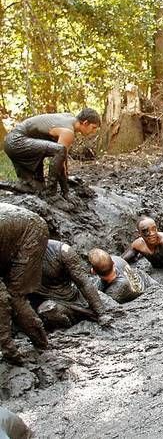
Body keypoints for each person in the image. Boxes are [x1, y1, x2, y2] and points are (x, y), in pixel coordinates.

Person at [2, 108, 100, 196]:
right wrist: (65, 191)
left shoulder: (69, 118)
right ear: (85, 123)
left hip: (15, 142)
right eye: (94, 127)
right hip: (17, 142)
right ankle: (51, 193)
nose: (94, 131)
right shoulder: (68, 132)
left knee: (37, 188)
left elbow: (62, 160)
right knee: (59, 150)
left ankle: (3, 184)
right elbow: (60, 155)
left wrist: (65, 184)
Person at [0, 203, 49, 363]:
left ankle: (41, 345)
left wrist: (8, 348)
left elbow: (2, 300)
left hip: (30, 233)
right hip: (12, 232)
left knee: (15, 296)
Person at [30, 239, 111, 329]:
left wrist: (101, 313)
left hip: (73, 296)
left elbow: (83, 283)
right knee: (47, 310)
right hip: (49, 304)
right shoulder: (17, 256)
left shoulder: (62, 251)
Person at [88, 248, 154, 304]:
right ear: (113, 262)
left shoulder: (115, 291)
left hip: (148, 290)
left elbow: (107, 305)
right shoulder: (116, 259)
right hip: (143, 278)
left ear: (93, 271)